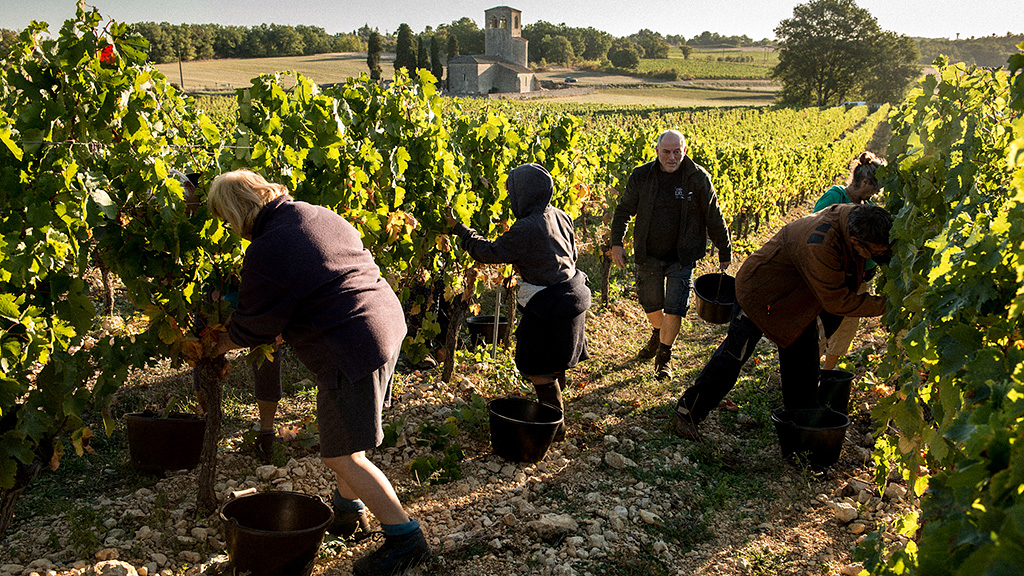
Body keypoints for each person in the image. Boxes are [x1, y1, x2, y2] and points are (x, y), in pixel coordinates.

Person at [207, 169, 431, 575]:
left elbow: (257, 323)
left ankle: (406, 539)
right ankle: (348, 511)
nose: (229, 227)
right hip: (384, 322)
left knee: (341, 455)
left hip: (351, 344)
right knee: (351, 438)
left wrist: (221, 342)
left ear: (237, 210)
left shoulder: (268, 247)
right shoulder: (315, 213)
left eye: (226, 218)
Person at [673, 204, 893, 440]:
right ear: (855, 241)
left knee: (804, 366)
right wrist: (890, 304)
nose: (880, 258)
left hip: (794, 301)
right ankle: (688, 411)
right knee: (735, 355)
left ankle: (801, 432)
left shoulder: (852, 218)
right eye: (876, 253)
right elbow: (837, 301)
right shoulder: (821, 244)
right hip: (760, 294)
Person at [445, 163, 590, 442]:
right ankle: (555, 422)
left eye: (512, 192)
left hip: (549, 308)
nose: (510, 198)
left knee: (537, 368)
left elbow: (488, 252)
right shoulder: (560, 215)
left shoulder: (526, 228)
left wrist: (460, 230)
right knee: (555, 361)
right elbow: (567, 253)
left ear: (523, 194)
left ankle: (553, 429)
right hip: (573, 298)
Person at [610, 129, 732, 379]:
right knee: (651, 305)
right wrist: (616, 242)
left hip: (682, 256)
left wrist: (724, 247)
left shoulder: (698, 178)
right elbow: (623, 211)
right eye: (666, 151)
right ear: (657, 152)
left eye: (677, 151)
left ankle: (664, 357)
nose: (672, 157)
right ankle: (658, 333)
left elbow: (713, 215)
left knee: (675, 308)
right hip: (649, 254)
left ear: (684, 151)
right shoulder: (642, 176)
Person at [813, 151, 885, 370]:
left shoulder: (869, 207)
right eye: (875, 188)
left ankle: (827, 372)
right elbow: (815, 231)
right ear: (864, 182)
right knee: (820, 324)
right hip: (833, 274)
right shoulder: (835, 196)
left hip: (860, 279)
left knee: (846, 327)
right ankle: (809, 371)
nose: (876, 193)